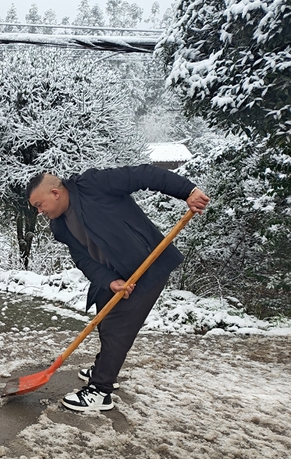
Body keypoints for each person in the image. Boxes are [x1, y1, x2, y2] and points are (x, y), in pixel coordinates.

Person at [25, 164, 210, 411]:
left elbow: (145, 175)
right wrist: (109, 281)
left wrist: (188, 191)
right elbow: (83, 259)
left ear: (55, 193)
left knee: (117, 328)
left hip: (146, 266)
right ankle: (104, 367)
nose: (39, 212)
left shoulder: (93, 184)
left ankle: (101, 390)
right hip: (113, 275)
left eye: (39, 205)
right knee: (104, 319)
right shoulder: (60, 227)